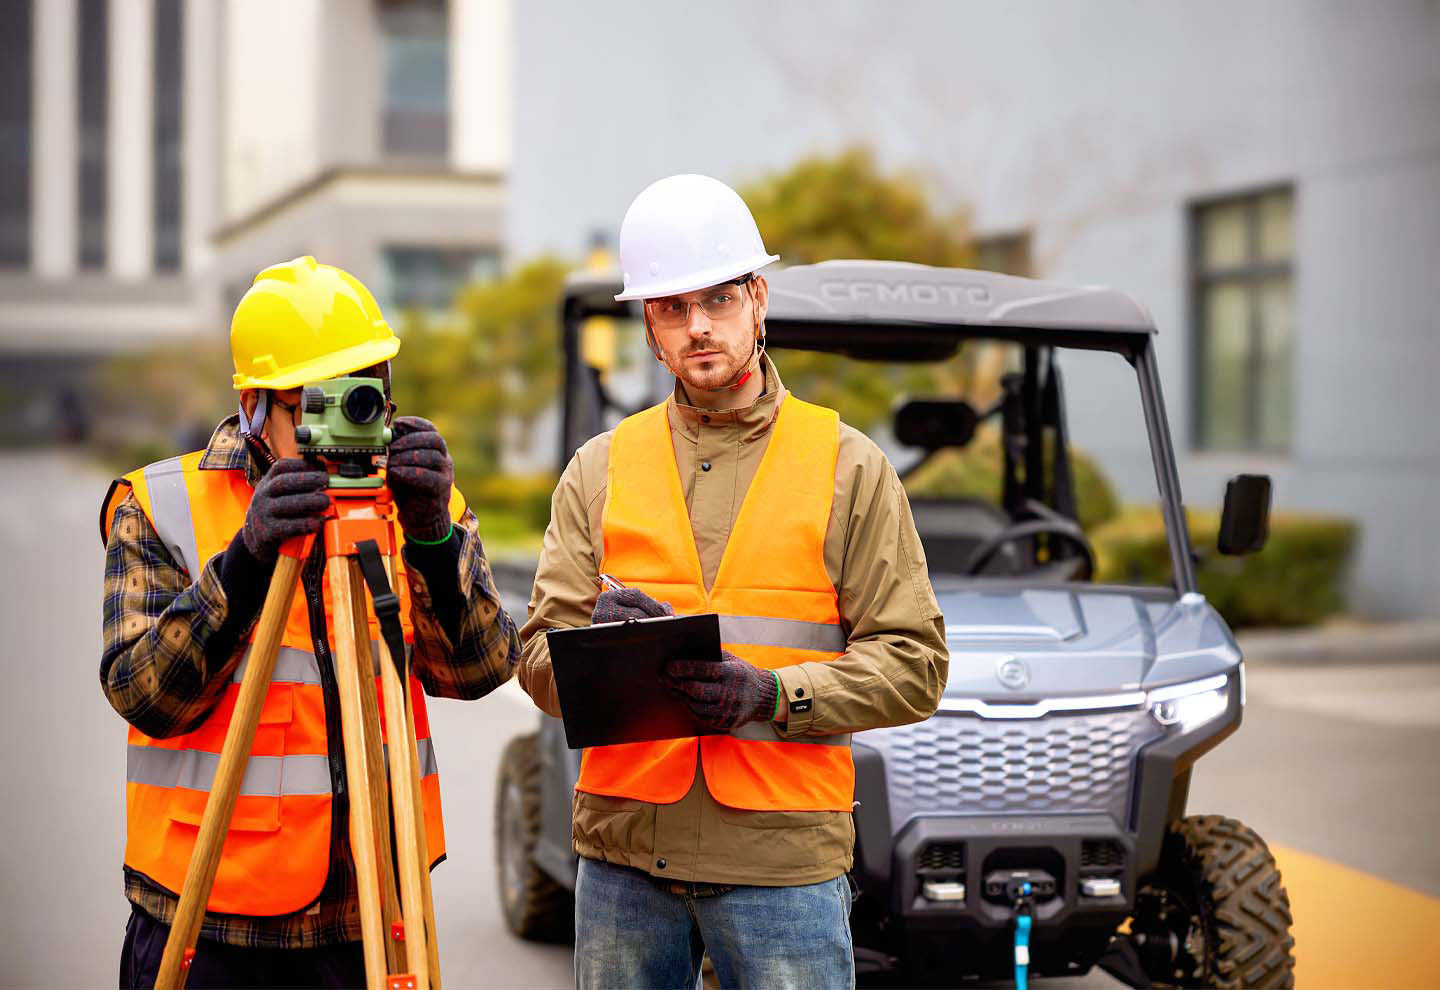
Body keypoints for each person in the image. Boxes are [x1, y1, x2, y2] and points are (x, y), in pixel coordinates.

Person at [519, 174, 950, 989]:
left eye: (717, 299)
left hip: (781, 864)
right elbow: (536, 664)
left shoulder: (848, 467)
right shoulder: (599, 470)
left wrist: (772, 695)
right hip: (623, 861)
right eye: (673, 309)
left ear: (758, 299)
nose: (699, 326)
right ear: (649, 325)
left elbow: (917, 666)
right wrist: (590, 650)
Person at [100, 256, 521, 987]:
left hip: (371, 916)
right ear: (259, 404)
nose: (356, 417)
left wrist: (430, 538)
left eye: (370, 390)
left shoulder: (415, 502)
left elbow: (483, 669)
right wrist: (246, 563)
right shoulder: (160, 505)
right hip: (208, 920)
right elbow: (143, 694)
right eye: (321, 399)